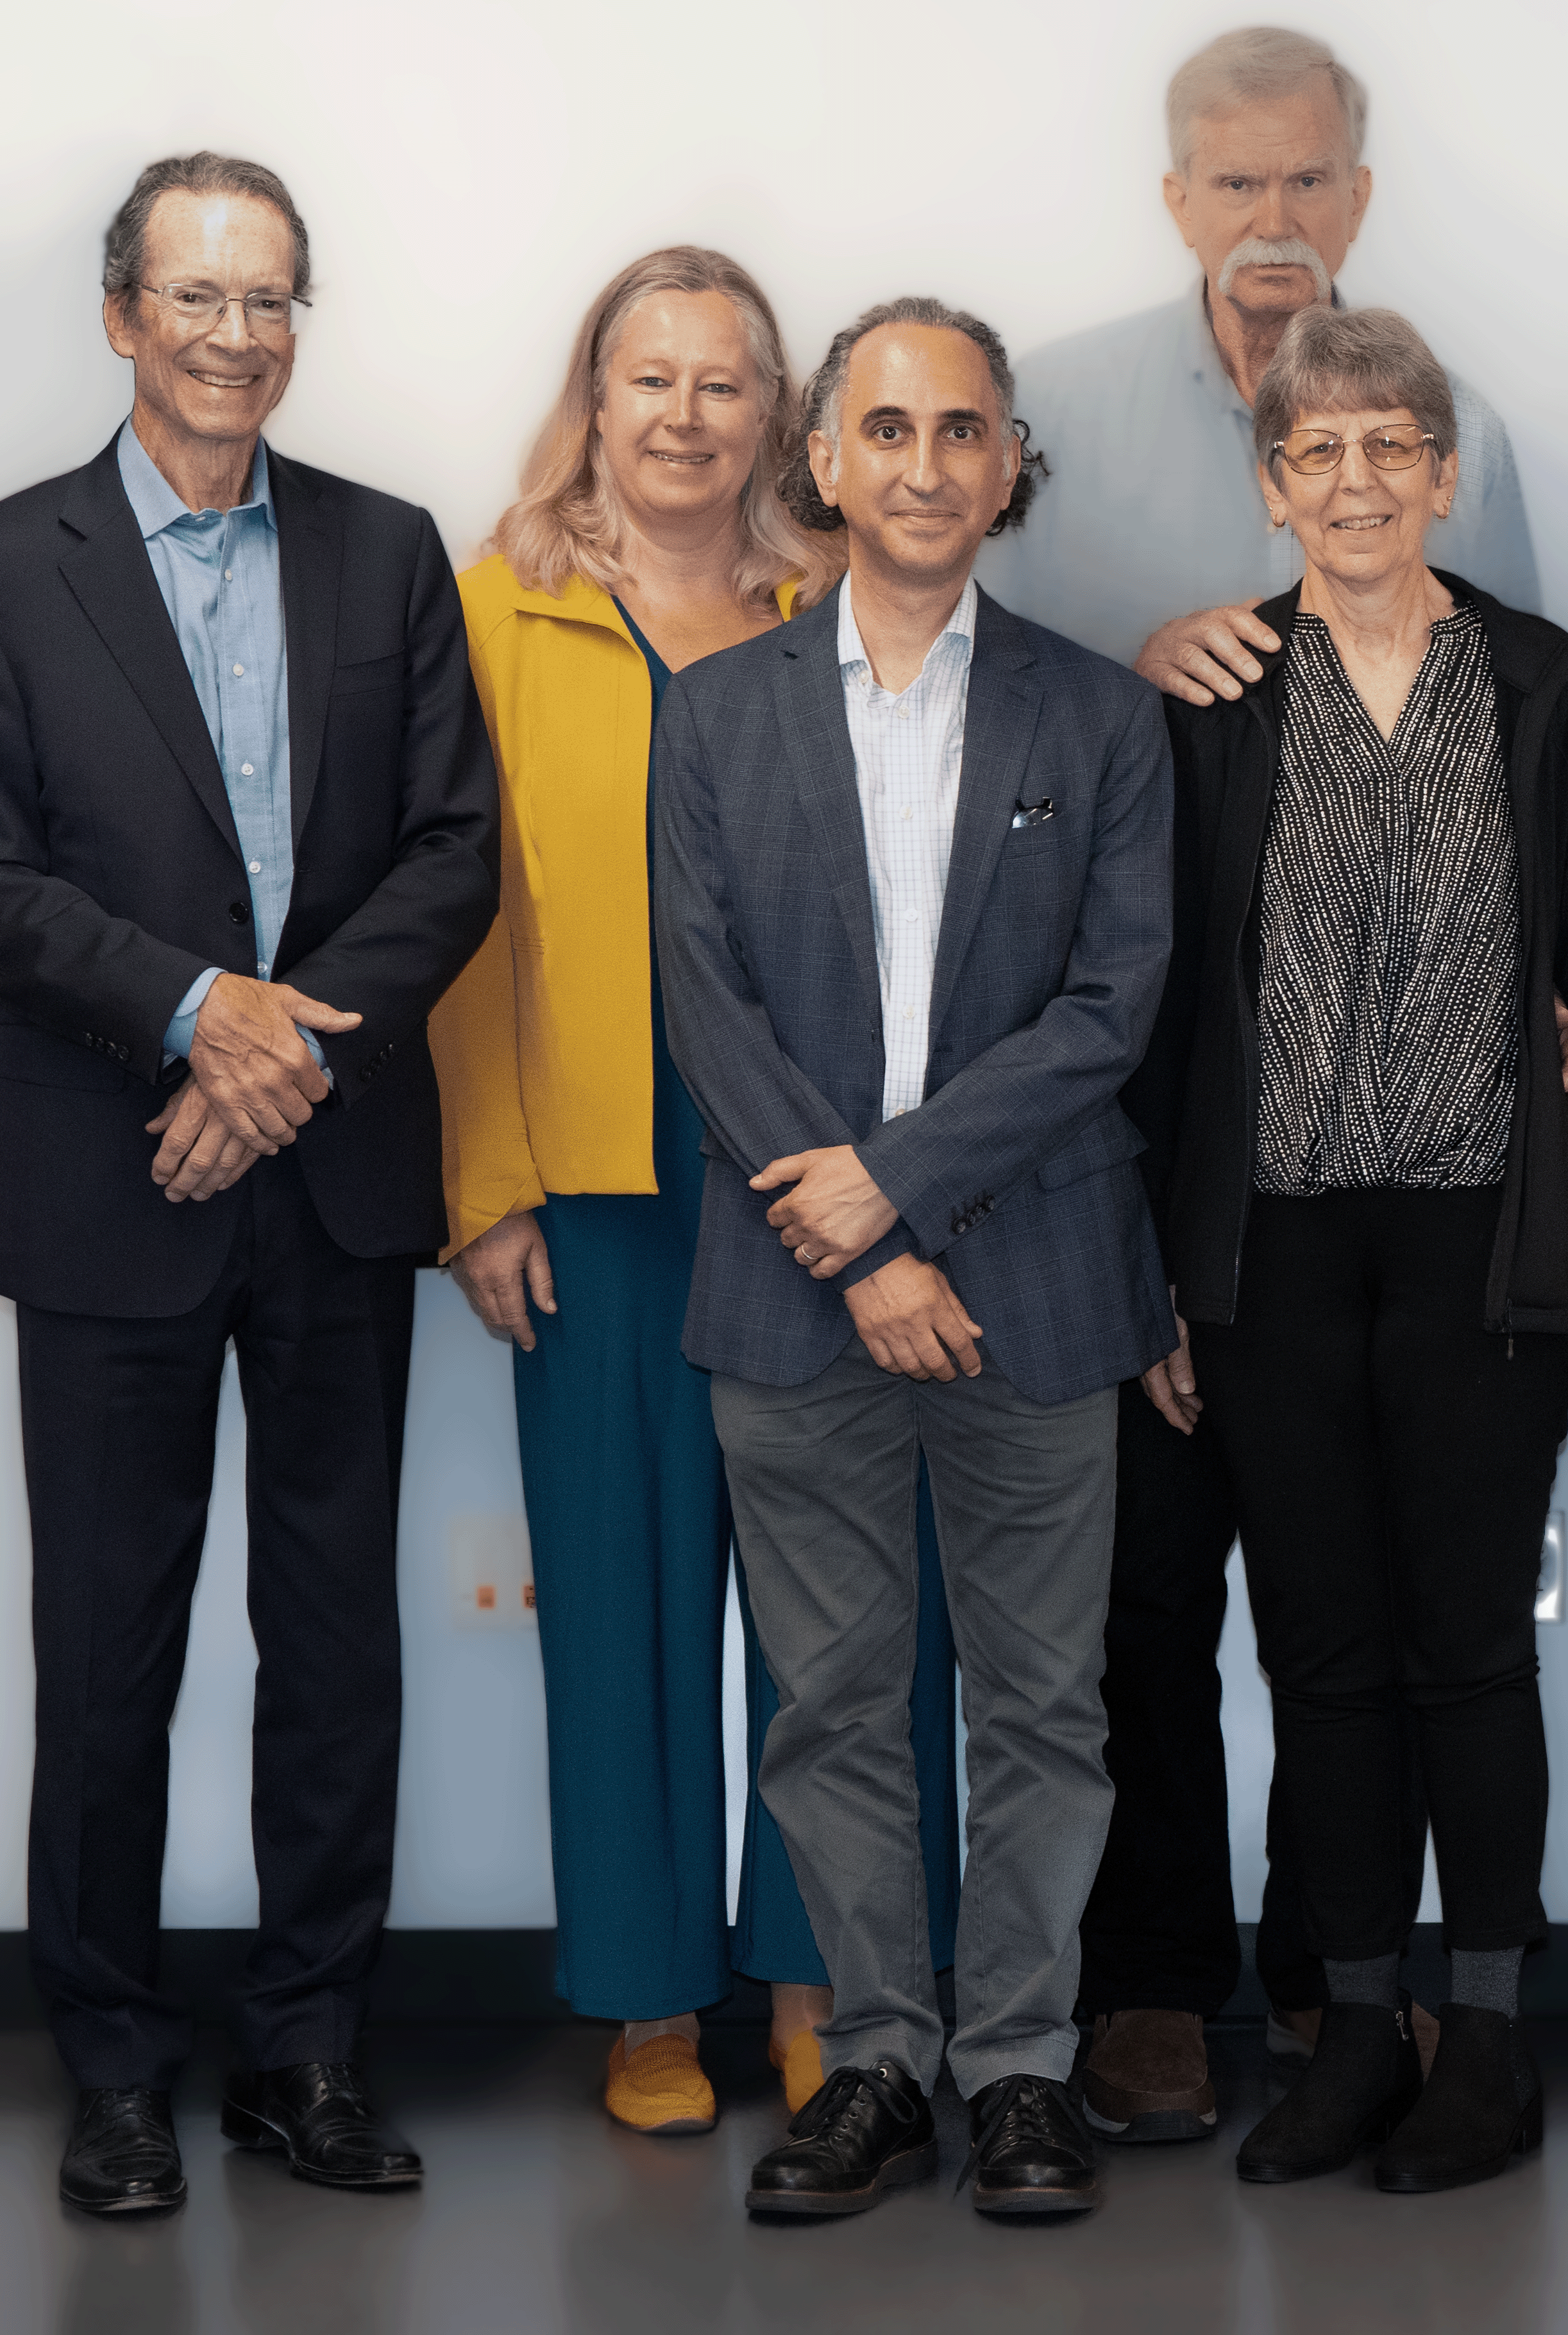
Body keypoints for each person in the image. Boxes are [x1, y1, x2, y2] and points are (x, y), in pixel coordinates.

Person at [0, 151, 498, 2214]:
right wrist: (193, 1016)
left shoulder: (388, 555)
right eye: (196, 297)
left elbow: (451, 857)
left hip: (326, 1176)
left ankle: (309, 2053)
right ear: (120, 312)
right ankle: (117, 2068)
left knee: (335, 1637)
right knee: (113, 1645)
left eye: (271, 300)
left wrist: (274, 1050)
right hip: (105, 1180)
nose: (236, 336)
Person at [987, 21, 1541, 2137]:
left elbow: (1527, 753)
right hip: (1121, 1118)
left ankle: (1344, 1980)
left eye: (1308, 182)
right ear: (1173, 201)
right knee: (1143, 1581)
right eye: (1234, 186)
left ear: (1359, 198)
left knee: (1353, 1602)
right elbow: (979, 699)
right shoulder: (1051, 417)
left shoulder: (1445, 409)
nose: (1274, 224)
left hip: (1388, 1168)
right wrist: (1136, 685)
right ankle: (1149, 1981)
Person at [429, 248, 968, 2137]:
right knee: (619, 1588)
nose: (681, 416)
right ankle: (651, 1997)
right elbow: (459, 923)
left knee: (849, 1607)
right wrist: (486, 1183)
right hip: (596, 1171)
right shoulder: (493, 614)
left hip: (820, 1168)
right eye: (645, 379)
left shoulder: (846, 604)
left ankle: (832, 1976)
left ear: (778, 423)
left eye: (723, 383)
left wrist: (905, 1179)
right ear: (591, 394)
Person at [1138, 305, 1568, 2194]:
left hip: (1484, 1242)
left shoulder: (1534, 678)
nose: (1355, 482)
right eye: (1317, 453)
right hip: (1269, 1253)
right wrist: (1165, 1277)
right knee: (1321, 1649)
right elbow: (1161, 1006)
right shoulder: (1210, 695)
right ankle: (1357, 2026)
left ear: (1440, 473)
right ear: (1270, 483)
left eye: (1390, 447)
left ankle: (1494, 2035)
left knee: (1468, 1650)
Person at [652, 298, 1171, 2221]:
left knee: (1043, 1708)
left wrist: (893, 1195)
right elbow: (700, 998)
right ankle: (876, 2052)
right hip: (794, 1298)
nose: (927, 464)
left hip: (1032, 1285)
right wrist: (853, 1240)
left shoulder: (1097, 715)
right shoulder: (713, 716)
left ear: (1010, 461)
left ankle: (1022, 2065)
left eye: (964, 429)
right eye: (888, 428)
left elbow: (1107, 1009)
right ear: (825, 460)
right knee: (831, 1703)